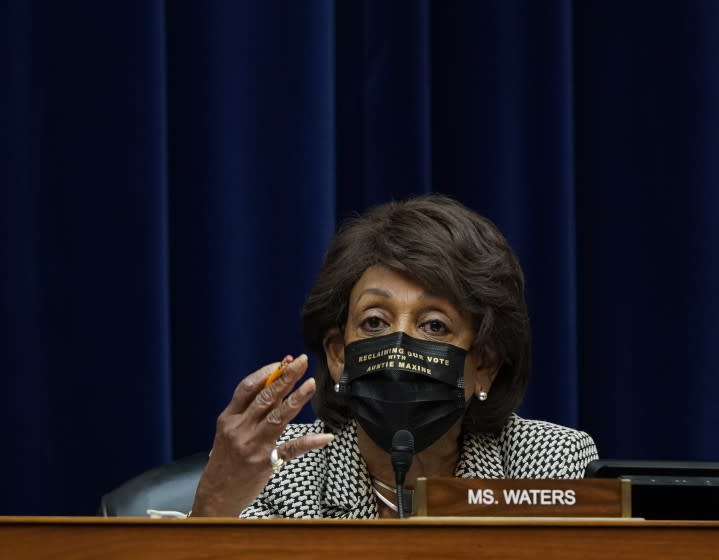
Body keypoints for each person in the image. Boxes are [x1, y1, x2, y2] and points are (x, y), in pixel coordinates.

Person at [190, 194, 598, 518]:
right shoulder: (278, 468)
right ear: (338, 356)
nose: (399, 348)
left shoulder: (547, 463)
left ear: (485, 364)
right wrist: (212, 509)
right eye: (374, 323)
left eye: (434, 325)